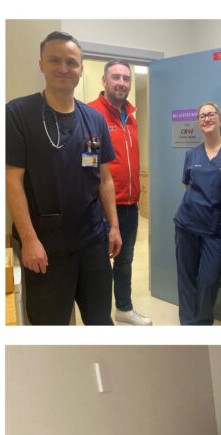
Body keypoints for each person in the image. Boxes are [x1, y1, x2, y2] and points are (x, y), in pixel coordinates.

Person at [6, 31, 121, 325]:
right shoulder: (18, 114)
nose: (63, 68)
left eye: (71, 62)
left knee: (99, 320)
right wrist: (29, 240)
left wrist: (114, 227)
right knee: (51, 324)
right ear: (41, 64)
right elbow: (11, 180)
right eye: (54, 60)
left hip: (92, 240)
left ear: (81, 70)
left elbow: (104, 179)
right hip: (45, 246)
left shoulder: (93, 119)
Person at [88, 60, 152, 325]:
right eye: (116, 77)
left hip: (130, 203)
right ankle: (100, 317)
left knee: (125, 260)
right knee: (99, 264)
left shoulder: (132, 118)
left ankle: (124, 308)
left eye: (126, 78)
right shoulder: (90, 114)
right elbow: (88, 164)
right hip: (101, 206)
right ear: (104, 81)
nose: (122, 83)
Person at [173, 102, 221, 325]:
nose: (206, 119)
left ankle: (203, 324)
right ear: (198, 122)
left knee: (209, 280)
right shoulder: (192, 154)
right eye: (202, 116)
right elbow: (187, 186)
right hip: (187, 224)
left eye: (211, 114)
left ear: (220, 119)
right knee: (186, 279)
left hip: (215, 230)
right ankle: (188, 324)